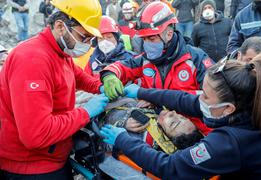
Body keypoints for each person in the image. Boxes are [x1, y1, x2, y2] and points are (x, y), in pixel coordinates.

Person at [100, 53, 261, 179]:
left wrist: (123, 140)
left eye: (206, 96)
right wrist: (140, 92)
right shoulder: (254, 104)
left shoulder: (229, 143)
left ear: (227, 108)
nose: (200, 99)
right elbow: (183, 100)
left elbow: (171, 169)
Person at [0, 0, 110, 179]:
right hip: (32, 167)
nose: (87, 45)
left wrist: (102, 84)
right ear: (61, 26)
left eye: (91, 39)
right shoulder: (33, 61)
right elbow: (36, 134)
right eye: (84, 37)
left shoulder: (59, 52)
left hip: (51, 157)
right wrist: (85, 113)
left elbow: (80, 77)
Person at [101, 1, 213, 101]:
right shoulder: (145, 60)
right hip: (159, 120)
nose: (147, 44)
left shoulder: (196, 59)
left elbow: (214, 99)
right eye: (144, 39)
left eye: (151, 39)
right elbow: (123, 67)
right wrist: (109, 74)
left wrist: (151, 96)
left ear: (169, 34)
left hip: (191, 121)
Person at [102, 98, 204, 151]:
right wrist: (151, 100)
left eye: (173, 123)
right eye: (181, 117)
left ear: (167, 139)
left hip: (98, 115)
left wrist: (121, 124)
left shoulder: (139, 141)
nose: (173, 112)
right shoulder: (159, 118)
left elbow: (103, 142)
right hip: (113, 100)